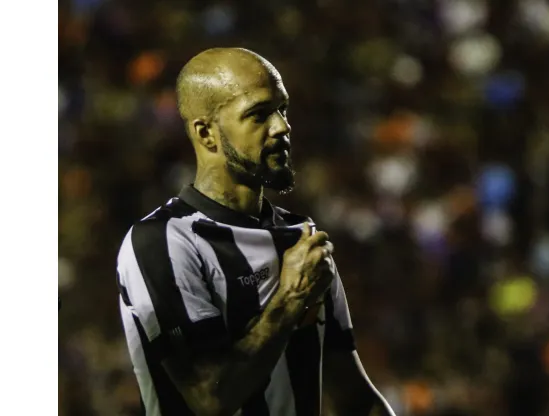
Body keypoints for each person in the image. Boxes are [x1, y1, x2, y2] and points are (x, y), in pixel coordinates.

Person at [116, 47, 395, 416]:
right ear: (207, 133)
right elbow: (207, 398)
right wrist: (291, 298)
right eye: (259, 114)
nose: (282, 126)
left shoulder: (301, 238)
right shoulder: (162, 242)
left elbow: (355, 398)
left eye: (282, 109)